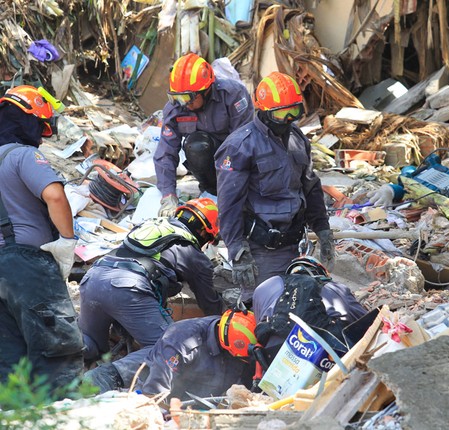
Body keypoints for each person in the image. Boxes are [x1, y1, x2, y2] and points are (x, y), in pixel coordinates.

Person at [214, 72, 335, 299]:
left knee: (302, 304)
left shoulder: (297, 138)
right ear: (264, 111)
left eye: (294, 111)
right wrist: (238, 252)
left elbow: (310, 186)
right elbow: (229, 205)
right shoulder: (241, 145)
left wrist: (323, 230)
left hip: (295, 242)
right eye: (281, 113)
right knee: (263, 311)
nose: (289, 118)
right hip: (262, 249)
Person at [0, 85, 83, 391]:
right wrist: (66, 241)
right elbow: (55, 196)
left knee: (10, 360)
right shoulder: (23, 155)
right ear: (28, 121)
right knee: (58, 351)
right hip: (29, 267)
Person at [78, 197, 223, 363]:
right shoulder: (192, 253)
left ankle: (56, 363)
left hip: (93, 278)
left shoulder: (153, 226)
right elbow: (210, 305)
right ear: (204, 232)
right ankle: (107, 378)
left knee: (90, 345)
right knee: (169, 349)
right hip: (125, 289)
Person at [154, 52, 254, 217]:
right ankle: (210, 190)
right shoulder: (176, 107)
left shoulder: (233, 95)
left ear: (206, 90)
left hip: (236, 159)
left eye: (188, 97)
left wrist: (230, 194)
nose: (184, 103)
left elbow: (243, 145)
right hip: (207, 159)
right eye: (178, 97)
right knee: (197, 145)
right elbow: (166, 152)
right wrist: (168, 195)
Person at [84, 309, 257, 401]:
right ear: (227, 347)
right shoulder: (180, 342)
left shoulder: (234, 333)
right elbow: (155, 391)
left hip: (204, 397)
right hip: (167, 395)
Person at [252, 256, 368, 353]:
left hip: (273, 355)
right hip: (320, 356)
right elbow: (364, 320)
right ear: (320, 272)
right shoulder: (333, 288)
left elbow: (260, 320)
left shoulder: (264, 287)